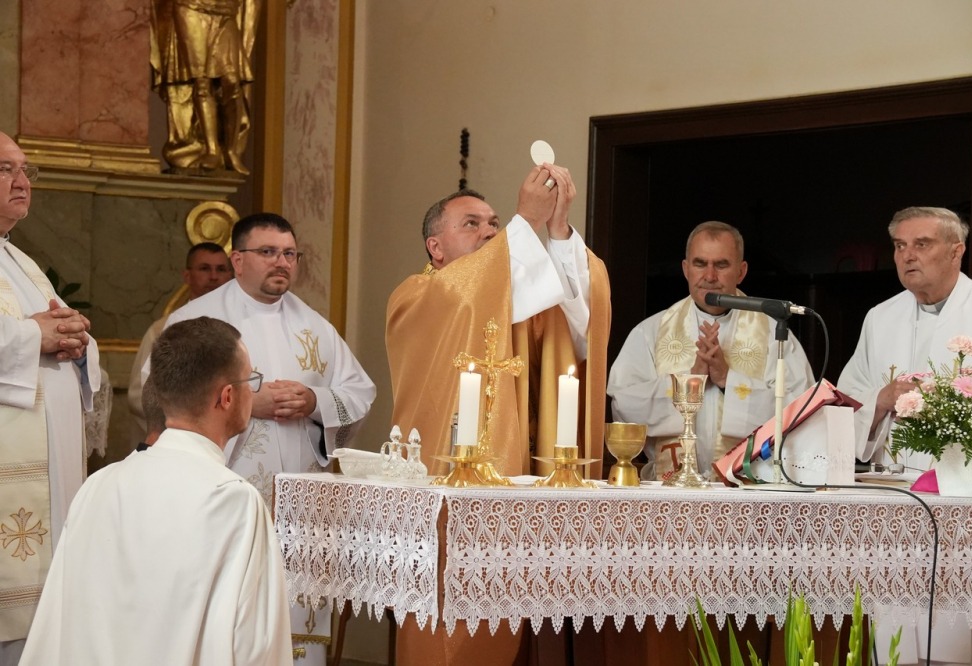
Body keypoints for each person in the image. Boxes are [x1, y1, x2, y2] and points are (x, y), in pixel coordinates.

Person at [385, 164, 611, 665]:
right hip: (442, 491)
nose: (489, 232)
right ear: (434, 247)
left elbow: (580, 324)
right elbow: (462, 295)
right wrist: (524, 222)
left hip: (517, 489)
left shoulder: (521, 304)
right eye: (471, 224)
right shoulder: (415, 296)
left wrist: (557, 233)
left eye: (494, 223)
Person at [161, 212, 375, 663]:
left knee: (296, 624)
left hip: (301, 505)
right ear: (238, 260)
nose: (282, 262)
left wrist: (314, 401)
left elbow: (360, 391)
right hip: (226, 495)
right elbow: (160, 394)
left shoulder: (314, 326)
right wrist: (245, 403)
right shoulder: (197, 320)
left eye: (290, 254)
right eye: (269, 252)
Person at [21, 317, 292, 665]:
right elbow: (257, 646)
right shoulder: (232, 501)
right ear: (227, 397)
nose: (252, 392)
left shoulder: (99, 485)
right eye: (250, 381)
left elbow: (55, 623)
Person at [838, 206, 972, 665]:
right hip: (896, 501)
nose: (907, 256)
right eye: (899, 246)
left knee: (964, 634)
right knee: (898, 637)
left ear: (956, 251)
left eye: (921, 244)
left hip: (970, 503)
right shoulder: (880, 317)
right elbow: (848, 398)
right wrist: (881, 399)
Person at [608, 221, 814, 481]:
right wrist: (690, 380)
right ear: (686, 269)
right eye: (700, 263)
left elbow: (801, 411)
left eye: (721, 265)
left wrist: (728, 380)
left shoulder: (775, 335)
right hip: (670, 489)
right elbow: (624, 407)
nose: (710, 276)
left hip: (750, 488)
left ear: (741, 272)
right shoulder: (651, 332)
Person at [0, 131, 100, 664]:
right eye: (5, 169)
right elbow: (30, 332)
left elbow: (56, 326)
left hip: (51, 465)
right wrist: (33, 336)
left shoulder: (20, 260)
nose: (22, 182)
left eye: (26, 170)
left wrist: (78, 341)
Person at [127, 241, 232, 440]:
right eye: (204, 269)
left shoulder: (241, 327)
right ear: (187, 276)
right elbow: (138, 393)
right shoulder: (163, 329)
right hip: (180, 438)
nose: (214, 276)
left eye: (221, 269)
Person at [150, 0, 260, 174]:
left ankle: (231, 150)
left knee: (232, 81)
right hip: (190, 8)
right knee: (201, 83)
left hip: (226, 10)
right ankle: (212, 150)